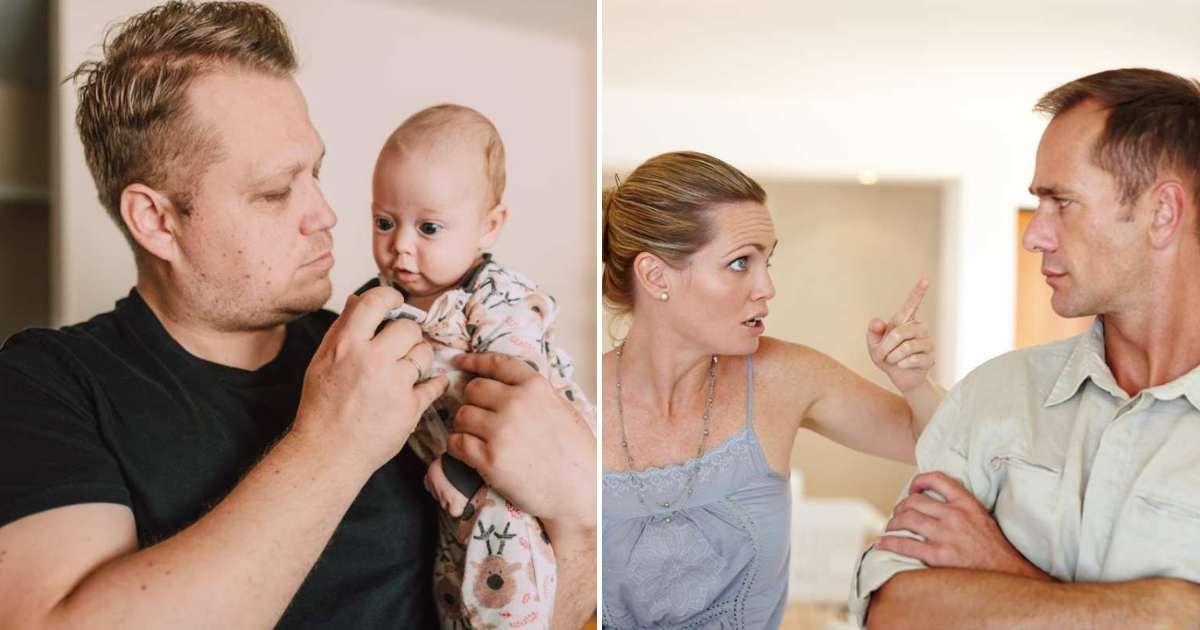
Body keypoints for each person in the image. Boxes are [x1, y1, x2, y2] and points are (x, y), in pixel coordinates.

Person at [0, 3, 594, 628]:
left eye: (317, 172)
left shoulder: (387, 348)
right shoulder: (45, 386)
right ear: (156, 220)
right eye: (277, 190)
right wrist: (333, 444)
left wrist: (579, 517)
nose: (326, 214)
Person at [852, 68, 1200, 629]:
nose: (1033, 235)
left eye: (1062, 202)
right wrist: (1164, 611)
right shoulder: (992, 397)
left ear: (1162, 213)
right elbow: (896, 611)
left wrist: (1005, 570)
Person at [600, 150, 944, 628]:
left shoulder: (784, 377)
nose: (767, 287)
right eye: (741, 263)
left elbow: (945, 442)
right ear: (657, 276)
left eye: (767, 260)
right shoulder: (577, 403)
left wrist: (914, 383)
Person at [365, 103, 594, 628]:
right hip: (452, 494)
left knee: (507, 586)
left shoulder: (495, 297)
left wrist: (463, 467)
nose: (399, 244)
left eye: (428, 227)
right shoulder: (386, 299)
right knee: (453, 589)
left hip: (508, 478)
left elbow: (516, 388)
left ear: (489, 227)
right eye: (384, 222)